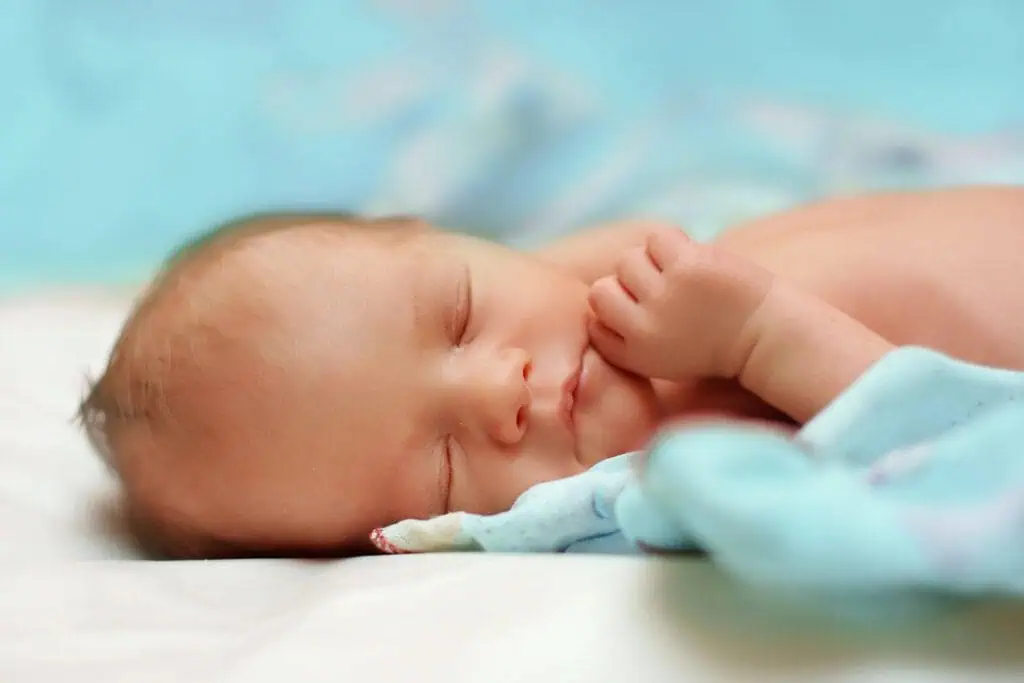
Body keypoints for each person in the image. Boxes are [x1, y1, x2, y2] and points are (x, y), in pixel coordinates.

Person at [77, 186, 1024, 558]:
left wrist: (549, 278)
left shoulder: (610, 292)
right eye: (444, 462)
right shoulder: (696, 458)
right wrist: (760, 337)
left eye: (460, 314)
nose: (500, 391)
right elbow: (965, 445)